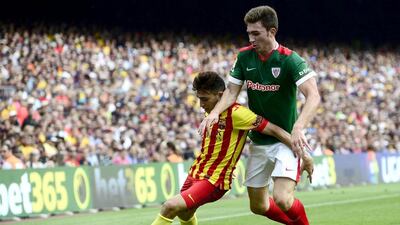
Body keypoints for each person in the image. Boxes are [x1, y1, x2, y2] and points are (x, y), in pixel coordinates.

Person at [199, 6, 320, 225]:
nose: (251, 38)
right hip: (259, 139)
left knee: (282, 199)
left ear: (272, 32)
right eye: (248, 33)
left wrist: (299, 127)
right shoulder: (245, 57)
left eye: (256, 33)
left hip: (286, 140)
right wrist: (214, 113)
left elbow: (314, 96)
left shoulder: (290, 60)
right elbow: (232, 91)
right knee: (258, 206)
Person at [151, 71, 299, 225]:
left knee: (169, 206)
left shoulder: (237, 114)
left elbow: (274, 129)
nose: (201, 104)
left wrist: (300, 150)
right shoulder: (211, 113)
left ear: (220, 95)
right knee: (184, 215)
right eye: (199, 99)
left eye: (205, 99)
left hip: (214, 180)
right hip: (196, 172)